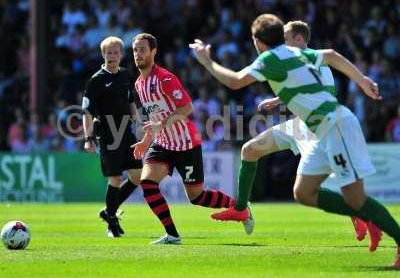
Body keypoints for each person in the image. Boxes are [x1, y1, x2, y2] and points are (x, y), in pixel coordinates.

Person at [189, 14, 400, 267]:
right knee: (303, 192)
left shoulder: (270, 58)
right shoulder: (295, 55)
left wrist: (206, 61)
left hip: (336, 126)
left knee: (356, 199)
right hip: (320, 127)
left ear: (258, 41)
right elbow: (331, 54)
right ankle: (365, 214)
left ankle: (380, 225)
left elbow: (234, 81)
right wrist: (362, 80)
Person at [254, 20, 381, 250]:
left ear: (299, 39)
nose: (282, 42)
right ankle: (242, 207)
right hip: (302, 123)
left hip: (319, 124)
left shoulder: (316, 58)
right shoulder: (297, 62)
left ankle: (363, 214)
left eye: (286, 37)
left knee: (313, 186)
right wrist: (276, 100)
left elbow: (324, 92)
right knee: (251, 150)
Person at [130, 33, 252, 245]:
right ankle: (172, 235)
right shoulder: (139, 84)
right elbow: (154, 117)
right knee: (147, 184)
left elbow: (187, 107)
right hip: (162, 144)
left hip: (186, 144)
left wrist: (161, 125)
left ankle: (240, 206)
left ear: (153, 52)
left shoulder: (165, 78)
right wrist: (146, 140)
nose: (138, 54)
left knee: (196, 197)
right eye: (135, 50)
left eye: (142, 50)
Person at [82, 36, 142, 237]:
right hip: (108, 135)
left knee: (136, 176)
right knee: (115, 178)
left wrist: (138, 121)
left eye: (116, 52)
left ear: (121, 55)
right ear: (103, 55)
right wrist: (88, 138)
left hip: (127, 132)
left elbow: (130, 101)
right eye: (108, 53)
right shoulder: (96, 80)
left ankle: (108, 211)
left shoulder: (125, 75)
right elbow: (87, 112)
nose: (112, 56)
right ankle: (112, 224)